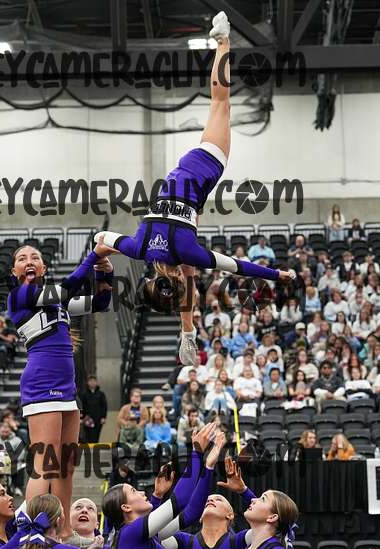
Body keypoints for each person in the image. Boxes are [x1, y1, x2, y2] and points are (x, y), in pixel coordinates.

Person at [93, 13, 294, 367]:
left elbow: (238, 266)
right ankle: (186, 333)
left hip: (203, 169)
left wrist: (278, 274)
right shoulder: (139, 248)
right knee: (186, 268)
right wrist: (101, 255)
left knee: (220, 103)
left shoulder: (188, 255)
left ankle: (223, 41)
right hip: (178, 179)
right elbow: (101, 236)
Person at [7, 243, 113, 539]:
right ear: (14, 271)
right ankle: (31, 532)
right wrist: (94, 254)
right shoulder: (20, 295)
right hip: (42, 383)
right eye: (22, 258)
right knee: (45, 463)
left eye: (35, 258)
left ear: (43, 268)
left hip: (67, 388)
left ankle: (64, 531)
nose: (29, 261)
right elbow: (66, 289)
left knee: (66, 464)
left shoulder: (58, 304)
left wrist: (104, 272)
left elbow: (101, 302)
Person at [81, 375, 108, 443]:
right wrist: (82, 417)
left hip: (98, 419)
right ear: (87, 382)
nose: (92, 383)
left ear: (96, 382)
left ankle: (95, 448)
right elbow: (82, 406)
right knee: (88, 436)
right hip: (87, 418)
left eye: (94, 381)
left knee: (96, 436)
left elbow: (104, 406)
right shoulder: (84, 394)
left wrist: (103, 417)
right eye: (90, 381)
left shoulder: (101, 394)